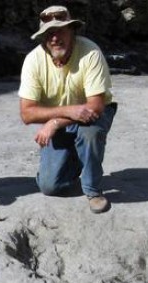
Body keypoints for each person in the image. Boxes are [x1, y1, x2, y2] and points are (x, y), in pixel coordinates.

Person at [18, 5, 117, 213]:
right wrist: (67, 114)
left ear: (72, 31)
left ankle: (93, 190)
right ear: (42, 38)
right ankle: (77, 159)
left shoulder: (90, 52)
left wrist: (54, 122)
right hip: (63, 118)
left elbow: (96, 106)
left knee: (89, 134)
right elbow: (27, 113)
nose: (55, 38)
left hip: (93, 116)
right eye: (49, 33)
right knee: (49, 186)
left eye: (60, 31)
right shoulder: (33, 60)